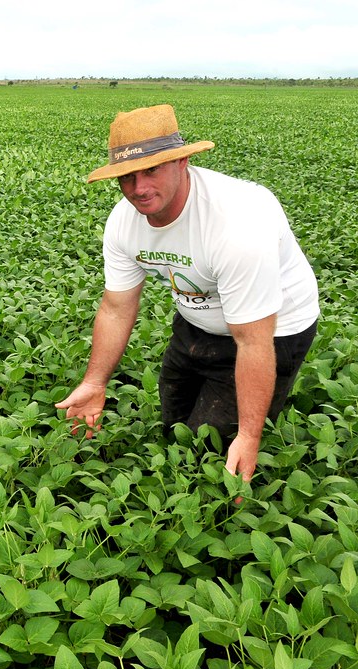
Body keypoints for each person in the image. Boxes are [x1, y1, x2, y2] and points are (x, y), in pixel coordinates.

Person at [55, 104, 319, 484]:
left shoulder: (235, 224)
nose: (138, 188)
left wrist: (249, 435)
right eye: (127, 177)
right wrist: (95, 383)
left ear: (181, 163)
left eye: (151, 170)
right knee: (174, 417)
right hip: (197, 319)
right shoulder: (124, 223)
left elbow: (253, 341)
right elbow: (116, 308)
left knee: (212, 451)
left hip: (273, 329)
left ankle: (230, 491)